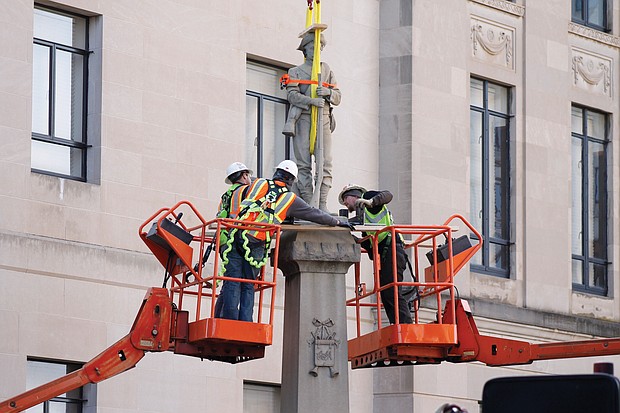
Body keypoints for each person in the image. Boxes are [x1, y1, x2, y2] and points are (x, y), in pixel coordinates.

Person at [217, 160, 352, 322]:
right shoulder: (290, 199)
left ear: (276, 173)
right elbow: (313, 213)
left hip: (235, 234)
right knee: (248, 283)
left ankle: (227, 320)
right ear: (291, 180)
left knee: (232, 280)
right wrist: (337, 222)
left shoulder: (257, 183)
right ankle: (245, 321)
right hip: (255, 240)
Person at [338, 184, 413, 325]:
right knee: (386, 294)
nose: (346, 205)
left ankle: (405, 326)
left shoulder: (369, 201)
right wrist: (354, 239)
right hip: (386, 254)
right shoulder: (364, 218)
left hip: (392, 251)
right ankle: (397, 325)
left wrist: (370, 202)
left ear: (353, 196)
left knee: (392, 292)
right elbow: (369, 243)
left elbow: (388, 194)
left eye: (345, 200)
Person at [283, 32, 341, 211]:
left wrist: (328, 93)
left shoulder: (326, 70)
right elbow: (292, 95)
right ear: (305, 49)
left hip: (323, 118)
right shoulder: (295, 71)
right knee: (304, 164)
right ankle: (309, 204)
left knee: (325, 164)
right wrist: (311, 101)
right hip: (304, 119)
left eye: (320, 48)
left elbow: (338, 97)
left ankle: (322, 203)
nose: (317, 51)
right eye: (314, 47)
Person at [211, 162, 253, 317]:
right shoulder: (246, 191)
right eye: (248, 175)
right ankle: (231, 318)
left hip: (224, 241)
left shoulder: (226, 195)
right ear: (243, 175)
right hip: (237, 239)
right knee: (237, 281)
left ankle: (220, 315)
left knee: (229, 281)